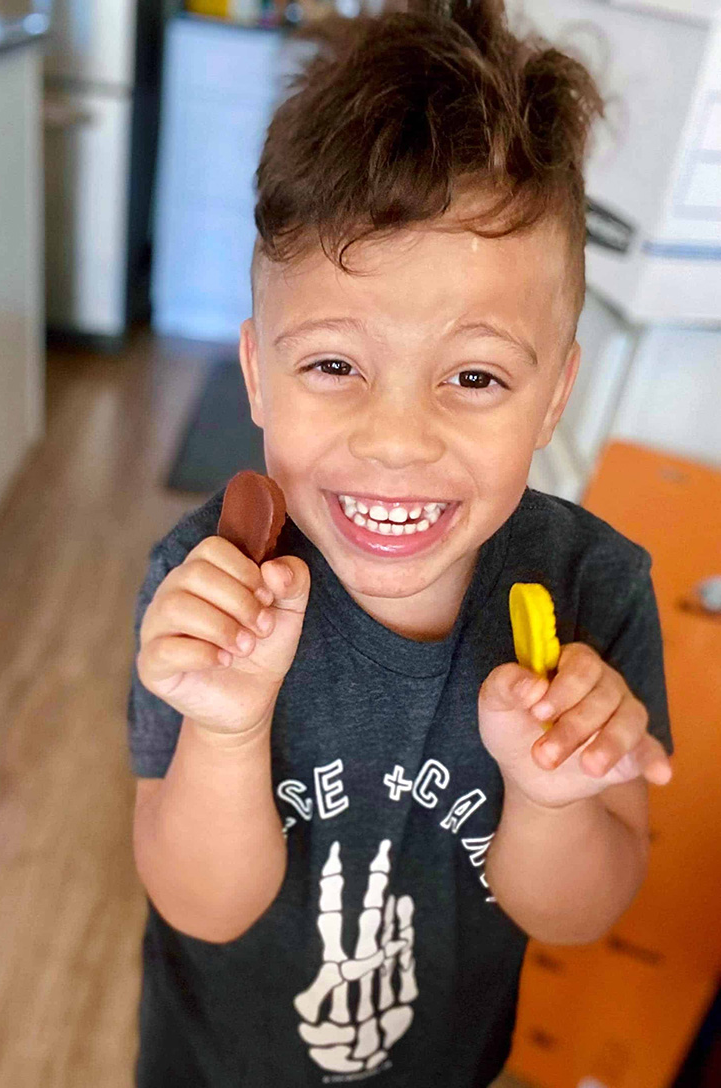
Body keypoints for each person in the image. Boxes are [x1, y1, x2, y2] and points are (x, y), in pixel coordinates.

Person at [127, 3, 674, 1085]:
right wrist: (230, 730)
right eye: (333, 365)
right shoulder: (210, 590)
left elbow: (578, 911)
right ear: (255, 372)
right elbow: (199, 900)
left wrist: (553, 789)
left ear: (554, 392)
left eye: (475, 376)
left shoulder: (593, 591)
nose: (395, 440)